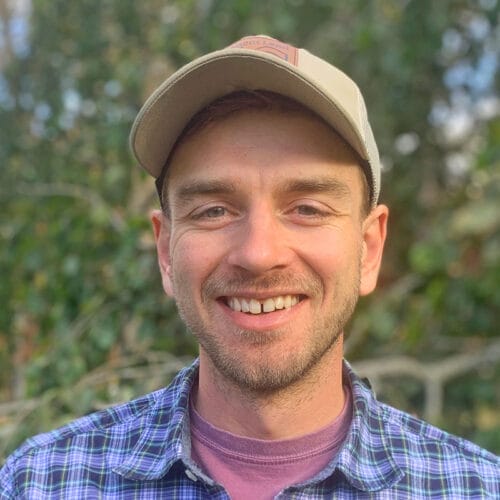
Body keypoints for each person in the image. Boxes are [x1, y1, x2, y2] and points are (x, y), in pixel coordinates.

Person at [0, 35, 498, 499]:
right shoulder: (43, 481)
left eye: (307, 208)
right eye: (213, 210)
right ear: (166, 251)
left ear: (368, 248)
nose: (259, 253)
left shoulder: (474, 487)